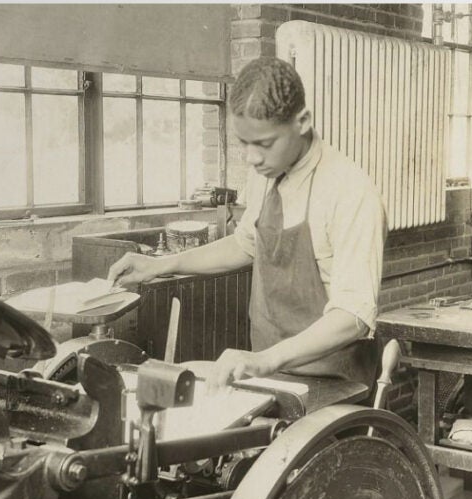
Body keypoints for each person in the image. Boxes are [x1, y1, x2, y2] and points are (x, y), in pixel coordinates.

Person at [108, 57, 386, 393]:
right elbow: (245, 244)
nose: (252, 158)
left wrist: (266, 360)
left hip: (334, 385)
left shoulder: (351, 192)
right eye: (244, 144)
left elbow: (353, 316)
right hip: (271, 373)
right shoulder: (266, 175)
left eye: (264, 144)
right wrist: (161, 265)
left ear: (303, 121)